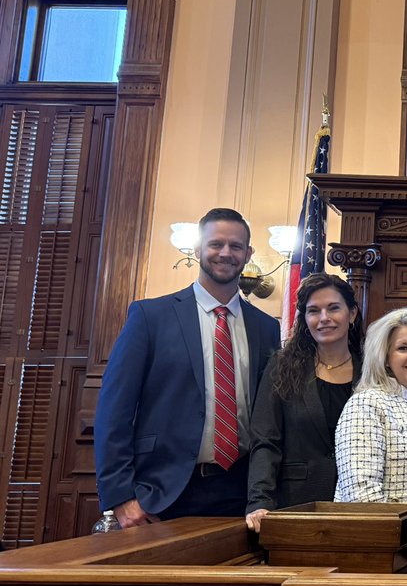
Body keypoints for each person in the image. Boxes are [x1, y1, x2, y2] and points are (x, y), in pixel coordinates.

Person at [94, 208, 281, 526]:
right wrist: (122, 498)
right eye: (216, 244)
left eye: (235, 246)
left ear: (248, 254)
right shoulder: (150, 317)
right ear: (197, 250)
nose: (225, 253)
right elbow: (114, 411)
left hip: (242, 493)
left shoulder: (265, 327)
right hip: (163, 493)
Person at [244, 274, 363, 532]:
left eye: (333, 308)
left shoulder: (371, 371)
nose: (324, 318)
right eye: (313, 311)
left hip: (359, 506)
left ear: (351, 313)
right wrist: (259, 501)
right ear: (304, 319)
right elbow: (266, 441)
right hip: (295, 503)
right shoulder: (282, 367)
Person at [333, 306, 407, 537]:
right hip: (389, 552)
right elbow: (361, 497)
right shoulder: (367, 404)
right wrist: (406, 541)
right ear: (385, 357)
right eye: (403, 348)